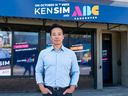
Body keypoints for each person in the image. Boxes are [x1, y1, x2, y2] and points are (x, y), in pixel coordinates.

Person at [35, 24, 80, 96]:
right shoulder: (43, 53)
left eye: (59, 34)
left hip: (65, 92)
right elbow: (38, 71)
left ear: (63, 36)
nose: (57, 37)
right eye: (54, 34)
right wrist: (42, 87)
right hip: (48, 92)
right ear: (51, 37)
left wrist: (72, 87)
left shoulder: (71, 53)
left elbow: (75, 72)